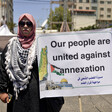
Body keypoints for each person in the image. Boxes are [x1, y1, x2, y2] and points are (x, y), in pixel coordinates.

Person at [0, 13, 64, 112]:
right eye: (22, 23)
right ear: (19, 26)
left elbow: (51, 68)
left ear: (33, 26)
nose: (25, 26)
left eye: (28, 23)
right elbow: (2, 68)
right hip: (17, 96)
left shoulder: (41, 45)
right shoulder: (11, 45)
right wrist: (2, 90)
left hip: (37, 98)